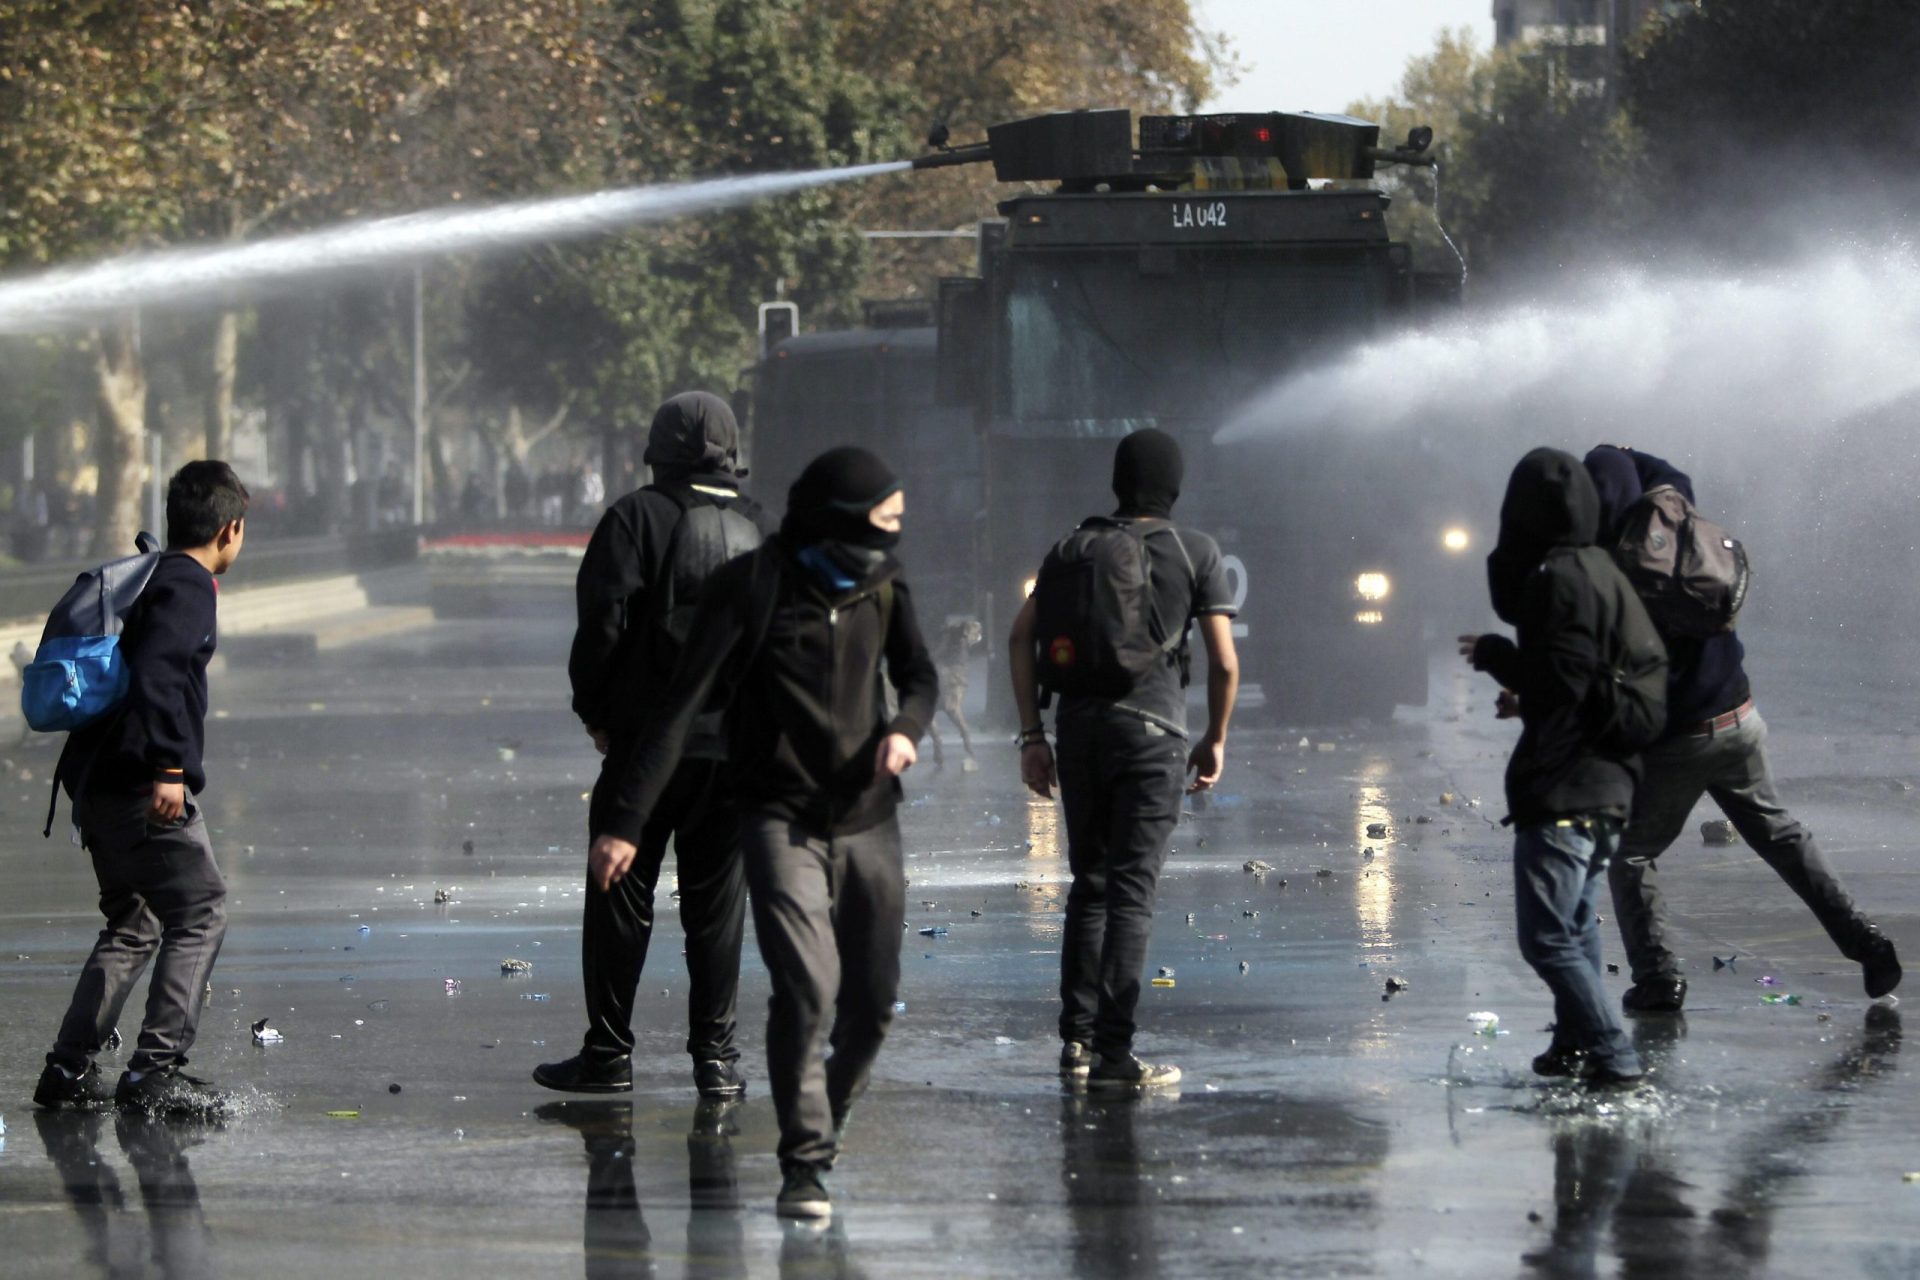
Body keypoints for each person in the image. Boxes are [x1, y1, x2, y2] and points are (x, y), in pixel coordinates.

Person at [590, 445, 937, 1220]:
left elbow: (920, 675)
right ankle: (804, 1164)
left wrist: (907, 728)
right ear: (840, 520)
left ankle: (829, 1114)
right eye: (881, 525)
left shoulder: (883, 584)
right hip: (778, 818)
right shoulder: (750, 588)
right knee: (806, 987)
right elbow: (678, 709)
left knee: (873, 1003)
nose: (890, 543)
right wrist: (625, 822)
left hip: (870, 818)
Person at [1583, 445, 1901, 1011]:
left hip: (1681, 738)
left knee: (1630, 854)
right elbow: (1667, 473)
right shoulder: (1677, 513)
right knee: (1783, 837)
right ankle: (1866, 943)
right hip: (1741, 717)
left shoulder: (1606, 571)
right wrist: (1629, 453)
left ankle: (1658, 979)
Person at [539, 392, 776, 1100]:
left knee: (619, 895)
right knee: (717, 905)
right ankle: (717, 1059)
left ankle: (608, 1054)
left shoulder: (633, 518)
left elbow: (601, 627)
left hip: (646, 748)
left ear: (657, 449)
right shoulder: (760, 525)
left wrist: (598, 712)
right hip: (732, 749)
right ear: (732, 451)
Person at [1008, 428, 1240, 1090]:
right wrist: (1215, 738)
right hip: (1152, 735)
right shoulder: (1197, 550)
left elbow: (1020, 635)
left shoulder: (1071, 547)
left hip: (1079, 732)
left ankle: (1076, 1045)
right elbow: (1224, 660)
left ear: (1117, 482)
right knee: (1132, 891)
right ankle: (1116, 1054)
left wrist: (1032, 736)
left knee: (1091, 885)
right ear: (1175, 486)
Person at [33, 461, 248, 1117]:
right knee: (201, 907)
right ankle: (156, 1069)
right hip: (140, 783)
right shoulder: (188, 584)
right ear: (230, 529)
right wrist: (171, 771)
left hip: (98, 783)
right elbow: (159, 674)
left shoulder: (156, 578)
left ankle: (68, 1070)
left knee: (134, 921)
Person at [1463, 447, 1659, 1086]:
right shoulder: (1606, 571)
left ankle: (1609, 1051)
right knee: (1575, 927)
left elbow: (1564, 683)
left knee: (1545, 938)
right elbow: (1584, 678)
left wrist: (1499, 658)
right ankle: (1575, 1044)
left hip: (1567, 788)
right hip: (1610, 785)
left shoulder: (1558, 579)